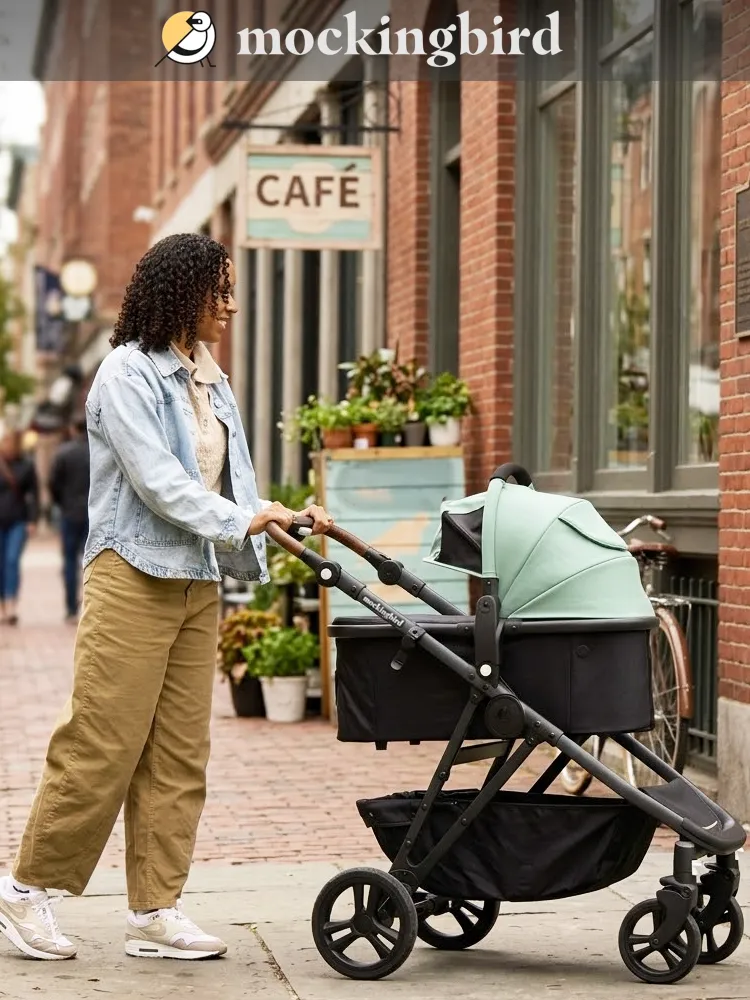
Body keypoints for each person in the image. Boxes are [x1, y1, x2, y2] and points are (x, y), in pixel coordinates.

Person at [0, 233, 333, 962]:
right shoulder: (126, 374)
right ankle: (26, 891)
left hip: (196, 579)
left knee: (181, 753)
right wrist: (243, 519)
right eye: (222, 292)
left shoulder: (211, 381)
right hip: (132, 575)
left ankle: (155, 909)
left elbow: (228, 484)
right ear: (182, 292)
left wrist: (285, 513)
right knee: (103, 741)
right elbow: (158, 482)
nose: (233, 306)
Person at [49, 417, 91, 622]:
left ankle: (70, 608)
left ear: (73, 429)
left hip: (69, 513)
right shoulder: (97, 450)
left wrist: (62, 503)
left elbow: (53, 484)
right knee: (91, 560)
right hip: (94, 513)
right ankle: (87, 603)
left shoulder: (63, 453)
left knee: (68, 561)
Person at [0, 430, 39, 626]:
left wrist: (32, 520)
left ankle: (11, 604)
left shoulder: (26, 465)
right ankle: (3, 607)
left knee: (11, 560)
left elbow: (34, 493)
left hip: (17, 520)